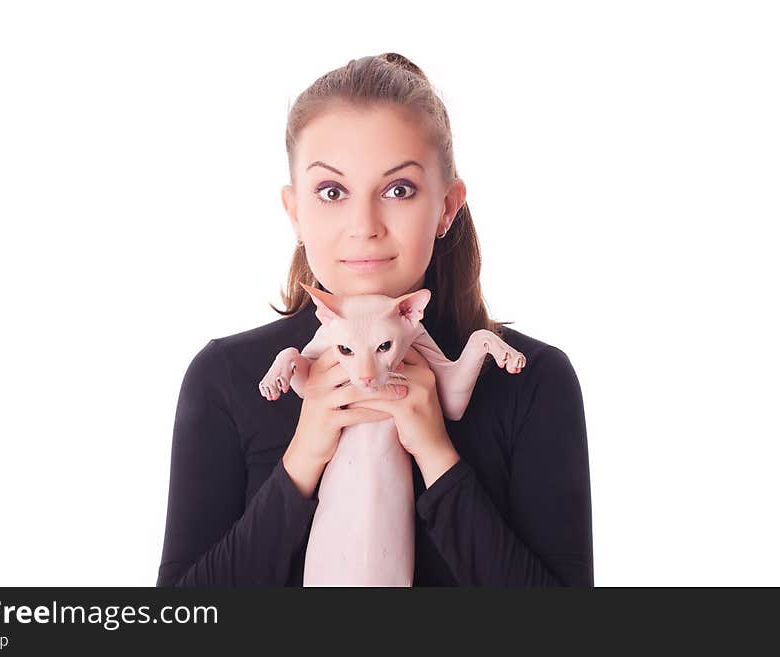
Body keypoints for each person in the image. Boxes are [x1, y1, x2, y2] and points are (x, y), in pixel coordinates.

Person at [156, 53, 594, 587]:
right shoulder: (226, 377)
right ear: (295, 212)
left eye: (398, 190)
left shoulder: (530, 380)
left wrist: (437, 456)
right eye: (332, 192)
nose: (363, 226)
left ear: (447, 207)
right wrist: (302, 460)